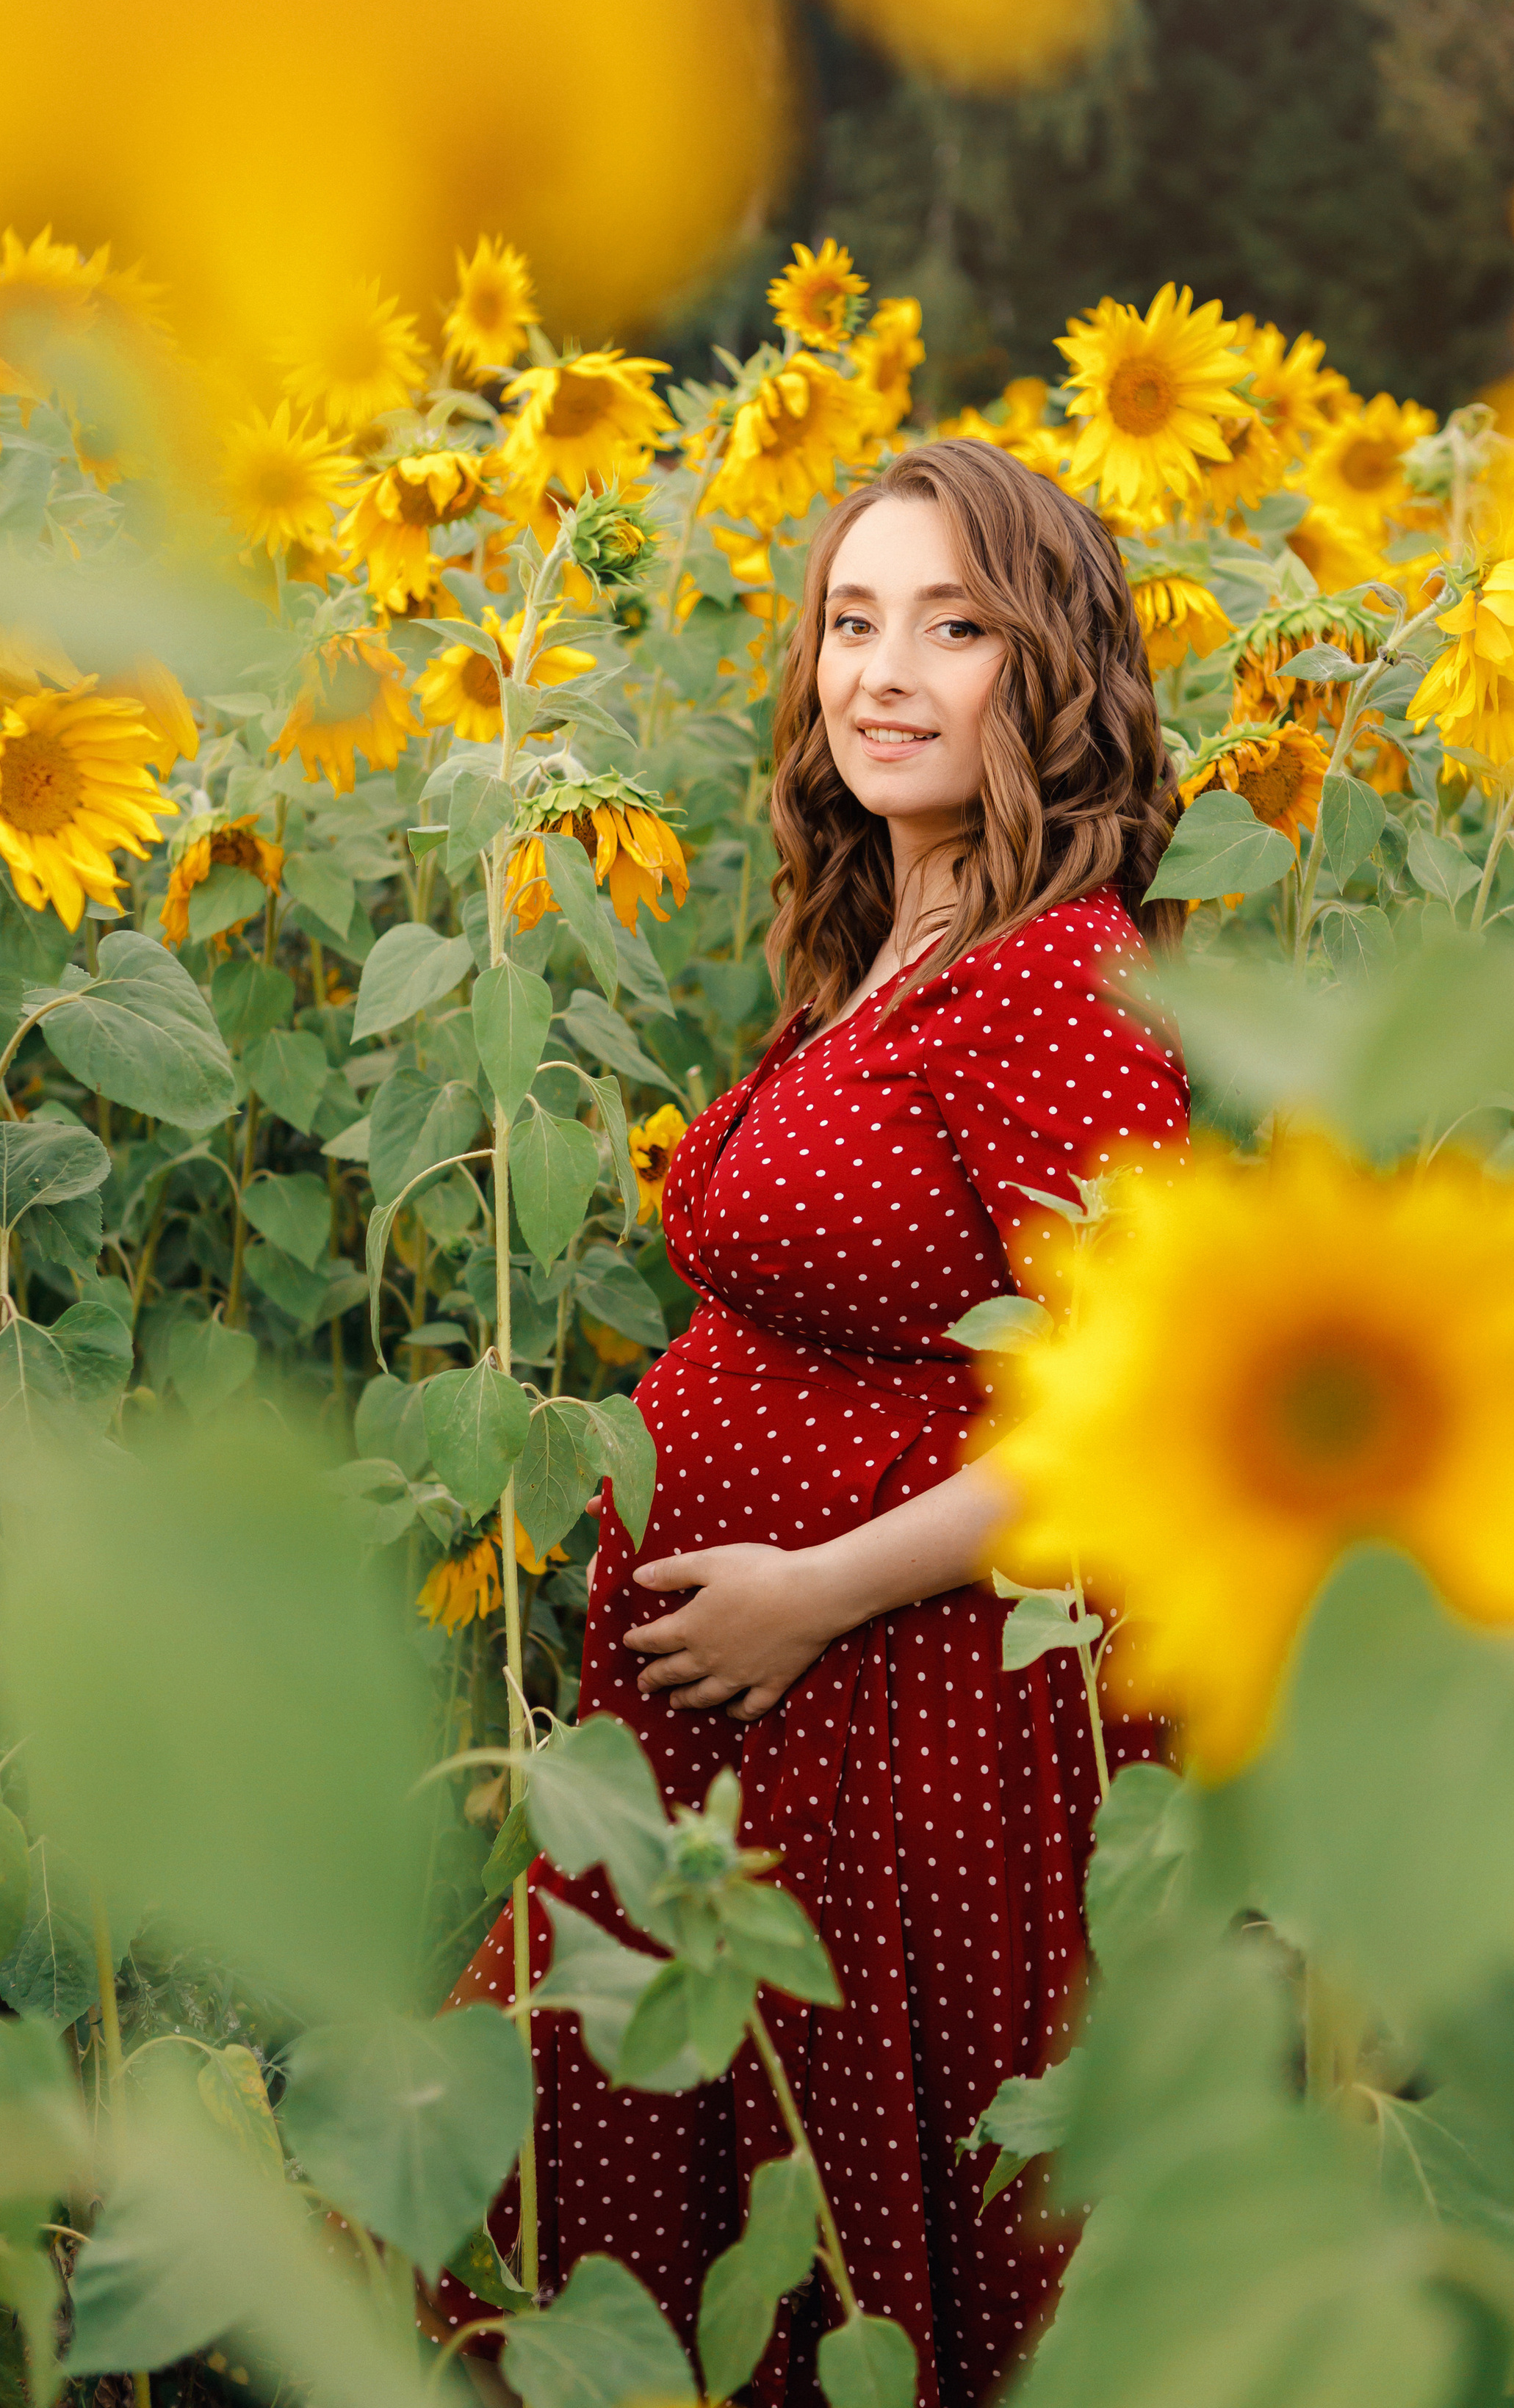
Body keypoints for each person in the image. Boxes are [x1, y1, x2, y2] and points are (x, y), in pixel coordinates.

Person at [430, 438, 1189, 2406]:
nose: (884, 672)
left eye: (954, 626)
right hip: (766, 1724)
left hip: (918, 1716)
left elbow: (1127, 1412)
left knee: (850, 2256)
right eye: (855, 622)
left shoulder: (1066, 979)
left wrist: (814, 1594)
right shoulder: (884, 951)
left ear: (1056, 669)